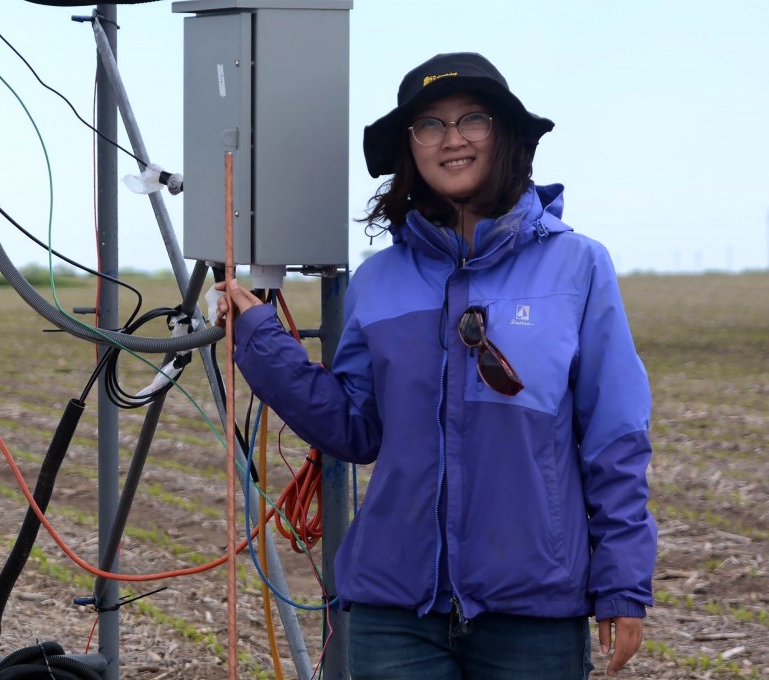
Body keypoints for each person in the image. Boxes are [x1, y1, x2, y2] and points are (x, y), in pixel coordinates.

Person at [216, 52, 657, 678]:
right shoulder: (380, 280)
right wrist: (261, 340)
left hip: (532, 610)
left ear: (504, 135)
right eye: (429, 124)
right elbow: (355, 429)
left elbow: (615, 439)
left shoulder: (578, 268)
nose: (452, 139)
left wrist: (622, 581)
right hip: (392, 612)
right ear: (409, 149)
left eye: (472, 119)